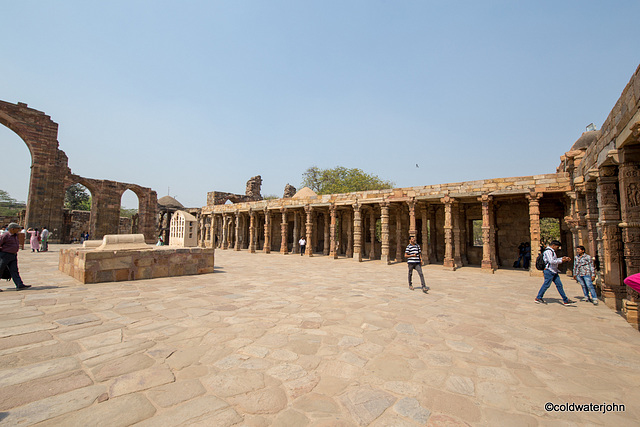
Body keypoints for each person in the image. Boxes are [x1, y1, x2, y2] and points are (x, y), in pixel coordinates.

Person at [535, 240, 575, 305]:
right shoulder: (548, 251)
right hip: (549, 271)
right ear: (553, 245)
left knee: (559, 285)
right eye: (557, 247)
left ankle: (565, 300)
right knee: (546, 285)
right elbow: (551, 261)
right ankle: (538, 298)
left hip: (554, 271)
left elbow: (554, 260)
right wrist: (561, 260)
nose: (558, 248)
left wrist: (562, 258)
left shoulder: (552, 251)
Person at [0, 223, 31, 291]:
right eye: (17, 229)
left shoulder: (15, 235)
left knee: (14, 270)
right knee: (0, 269)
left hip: (13, 255)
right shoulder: (5, 235)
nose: (19, 230)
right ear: (12, 229)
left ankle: (19, 284)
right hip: (5, 255)